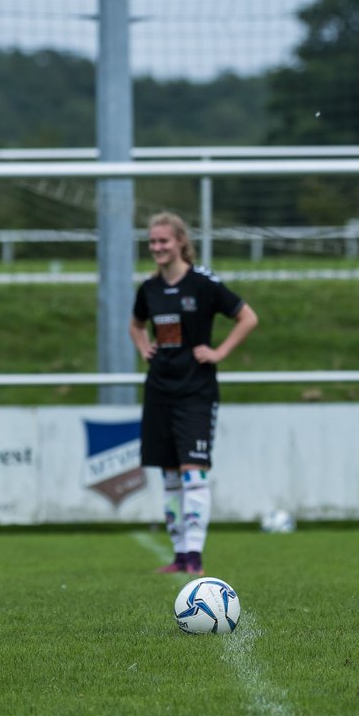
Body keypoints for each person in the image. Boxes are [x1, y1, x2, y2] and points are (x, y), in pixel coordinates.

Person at [129, 211, 258, 576]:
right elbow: (136, 325)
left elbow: (248, 316)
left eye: (163, 241)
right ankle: (180, 555)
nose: (157, 247)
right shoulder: (149, 289)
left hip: (195, 391)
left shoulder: (202, 283)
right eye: (152, 242)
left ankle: (195, 558)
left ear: (180, 242)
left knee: (193, 471)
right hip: (159, 390)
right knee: (169, 474)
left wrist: (218, 352)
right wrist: (143, 347)